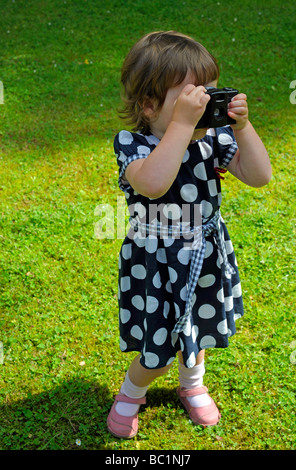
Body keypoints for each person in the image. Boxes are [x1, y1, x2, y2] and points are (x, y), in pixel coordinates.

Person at [107, 31, 272, 439]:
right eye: (190, 97)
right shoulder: (134, 145)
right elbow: (155, 184)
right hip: (157, 262)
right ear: (148, 104)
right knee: (158, 344)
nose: (204, 104)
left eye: (210, 93)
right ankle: (132, 392)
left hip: (205, 256)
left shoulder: (212, 140)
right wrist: (181, 124)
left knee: (198, 328)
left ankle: (193, 383)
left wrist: (243, 127)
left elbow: (260, 175)